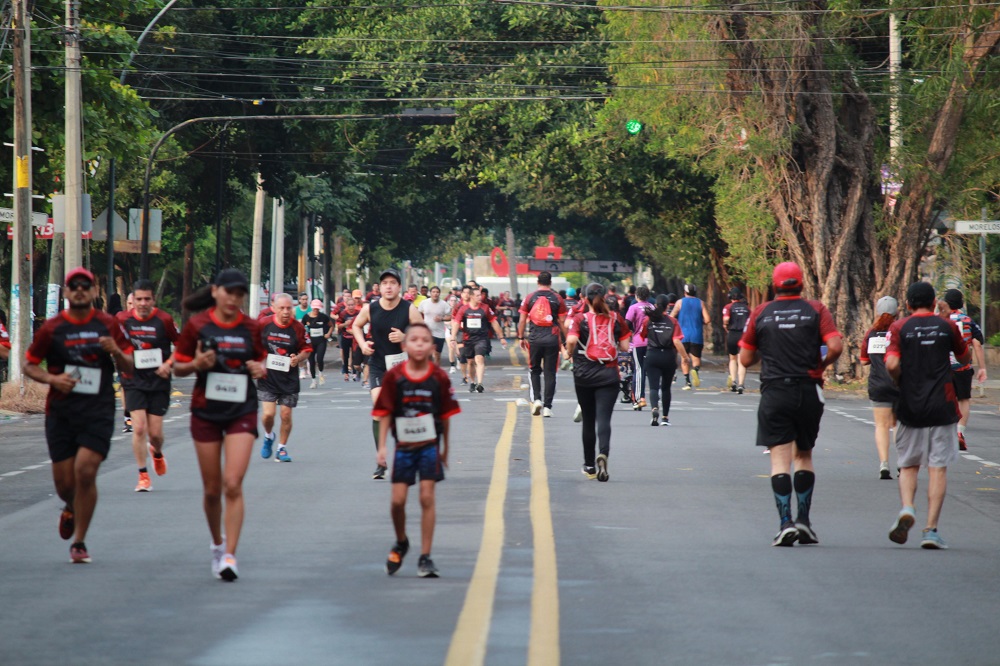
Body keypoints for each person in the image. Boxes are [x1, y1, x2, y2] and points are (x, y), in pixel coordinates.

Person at [23, 267, 135, 564]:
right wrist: (53, 380)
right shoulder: (52, 327)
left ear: (94, 290)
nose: (81, 290)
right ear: (67, 292)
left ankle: (80, 542)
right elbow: (29, 365)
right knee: (64, 484)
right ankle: (70, 506)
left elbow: (131, 366)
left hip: (97, 408)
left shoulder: (108, 324)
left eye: (86, 285)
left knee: (86, 471)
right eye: (75, 286)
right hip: (61, 411)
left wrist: (116, 352)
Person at [738, 262, 843, 547]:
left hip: (775, 391)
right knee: (804, 455)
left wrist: (768, 350)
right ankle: (804, 522)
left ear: (774, 286)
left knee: (779, 459)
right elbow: (835, 346)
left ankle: (785, 523)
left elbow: (745, 358)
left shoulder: (761, 312)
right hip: (808, 389)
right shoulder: (816, 310)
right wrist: (820, 364)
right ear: (801, 284)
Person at [173, 269, 267, 581]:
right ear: (215, 291)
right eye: (229, 292)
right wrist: (196, 365)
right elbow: (179, 366)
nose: (234, 299)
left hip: (242, 408)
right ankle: (217, 544)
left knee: (232, 483)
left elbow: (262, 360)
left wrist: (259, 367)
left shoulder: (251, 327)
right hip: (206, 411)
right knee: (213, 489)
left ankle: (230, 556)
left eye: (240, 294)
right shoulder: (198, 325)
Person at [885, 281, 970, 549]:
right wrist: (945, 320)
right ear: (934, 303)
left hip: (910, 406)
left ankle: (908, 507)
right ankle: (931, 530)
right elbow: (964, 357)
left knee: (908, 465)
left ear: (908, 304)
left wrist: (899, 380)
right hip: (942, 406)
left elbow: (892, 363)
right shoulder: (946, 326)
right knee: (937, 468)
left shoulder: (900, 327)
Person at [374, 322, 460, 578]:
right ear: (405, 345)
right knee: (397, 502)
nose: (420, 344)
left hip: (429, 447)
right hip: (403, 448)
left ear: (433, 347)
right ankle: (402, 541)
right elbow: (385, 412)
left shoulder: (438, 377)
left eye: (425, 340)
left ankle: (426, 556)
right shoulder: (395, 376)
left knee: (426, 497)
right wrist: (381, 448)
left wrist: (445, 448)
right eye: (414, 340)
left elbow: (446, 416)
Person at [351, 268, 424, 480]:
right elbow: (356, 326)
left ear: (399, 287)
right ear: (379, 287)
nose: (389, 286)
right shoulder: (370, 308)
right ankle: (381, 459)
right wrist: (363, 344)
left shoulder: (409, 309)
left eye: (393, 282)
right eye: (385, 283)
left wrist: (405, 336)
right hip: (379, 364)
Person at [564, 283, 631, 482]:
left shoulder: (579, 319)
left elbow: (572, 340)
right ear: (604, 297)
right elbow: (626, 347)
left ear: (584, 299)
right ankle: (603, 453)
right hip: (609, 374)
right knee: (604, 419)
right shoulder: (616, 318)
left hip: (584, 374)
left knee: (588, 420)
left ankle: (590, 465)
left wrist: (569, 352)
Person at [118, 279, 180, 492]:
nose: (143, 303)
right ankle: (143, 475)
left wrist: (169, 364)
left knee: (155, 434)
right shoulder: (122, 319)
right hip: (133, 380)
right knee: (140, 428)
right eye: (139, 299)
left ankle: (157, 452)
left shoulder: (164, 320)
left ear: (154, 300)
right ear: (132, 300)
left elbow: (182, 346)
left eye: (147, 299)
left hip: (158, 381)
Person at [258, 294, 312, 463]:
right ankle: (268, 436)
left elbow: (307, 349)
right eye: (282, 308)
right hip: (267, 377)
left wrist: (299, 358)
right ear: (273, 308)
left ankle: (282, 448)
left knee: (286, 414)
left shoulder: (298, 328)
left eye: (289, 308)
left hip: (289, 378)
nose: (286, 311)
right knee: (268, 415)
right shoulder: (263, 324)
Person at [936, 289, 987, 451]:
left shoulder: (940, 320)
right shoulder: (968, 321)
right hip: (963, 367)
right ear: (961, 303)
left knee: (943, 399)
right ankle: (959, 432)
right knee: (963, 399)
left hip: (943, 367)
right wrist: (982, 368)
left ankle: (943, 434)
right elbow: (978, 343)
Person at [859, 296, 901, 479]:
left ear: (877, 312)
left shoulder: (871, 334)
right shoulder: (900, 332)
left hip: (878, 385)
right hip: (899, 384)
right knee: (898, 424)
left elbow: (863, 360)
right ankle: (902, 462)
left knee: (881, 426)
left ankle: (884, 464)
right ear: (897, 312)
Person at [517, 271, 567, 417]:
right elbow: (562, 322)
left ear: (537, 282)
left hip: (535, 339)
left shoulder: (529, 298)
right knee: (550, 373)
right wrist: (564, 342)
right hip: (552, 339)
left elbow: (521, 320)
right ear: (550, 283)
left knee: (534, 370)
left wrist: (521, 337)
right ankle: (547, 407)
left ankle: (537, 399)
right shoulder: (557, 298)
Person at [641, 294, 690, 426]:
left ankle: (654, 408)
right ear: (668, 306)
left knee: (653, 387)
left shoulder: (648, 320)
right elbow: (677, 341)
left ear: (655, 305)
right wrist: (685, 357)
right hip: (668, 356)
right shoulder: (672, 321)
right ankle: (665, 417)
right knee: (666, 388)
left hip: (652, 355)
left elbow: (642, 336)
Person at [453, 287, 508, 394]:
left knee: (479, 359)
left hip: (481, 338)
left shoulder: (485, 308)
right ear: (471, 296)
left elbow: (494, 322)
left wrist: (501, 337)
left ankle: (480, 383)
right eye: (478, 295)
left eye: (481, 295)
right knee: (470, 362)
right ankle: (473, 382)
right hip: (468, 339)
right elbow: (456, 322)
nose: (480, 297)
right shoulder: (463, 309)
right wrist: (452, 338)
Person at [671, 284, 711, 390]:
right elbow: (707, 319)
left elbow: (672, 316)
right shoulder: (701, 303)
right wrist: (699, 322)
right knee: (696, 358)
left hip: (682, 335)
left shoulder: (680, 302)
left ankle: (687, 382)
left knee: (685, 358)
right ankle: (695, 370)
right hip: (696, 335)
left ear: (685, 292)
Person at [625, 286, 653, 410]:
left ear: (636, 296)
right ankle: (651, 399)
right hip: (651, 343)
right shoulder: (652, 307)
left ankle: (639, 398)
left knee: (638, 369)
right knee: (647, 371)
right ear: (648, 296)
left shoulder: (633, 307)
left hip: (638, 343)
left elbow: (627, 325)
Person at [722, 287, 750, 393]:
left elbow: (726, 319)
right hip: (743, 335)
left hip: (732, 334)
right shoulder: (747, 308)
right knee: (741, 361)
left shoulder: (728, 307)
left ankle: (733, 381)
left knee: (732, 359)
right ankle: (741, 384)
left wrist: (725, 325)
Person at [302, 298, 333, 388]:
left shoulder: (323, 317)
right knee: (311, 361)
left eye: (317, 309)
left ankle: (321, 373)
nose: (316, 310)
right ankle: (313, 380)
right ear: (311, 308)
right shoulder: (306, 317)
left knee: (319, 358)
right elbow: (301, 327)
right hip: (310, 342)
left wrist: (328, 334)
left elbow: (331, 326)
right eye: (314, 308)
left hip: (321, 341)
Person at [418, 285, 452, 367]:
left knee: (437, 355)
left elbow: (450, 316)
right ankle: (428, 372)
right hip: (427, 332)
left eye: (437, 292)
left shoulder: (444, 304)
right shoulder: (424, 303)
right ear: (430, 293)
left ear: (439, 294)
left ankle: (436, 373)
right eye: (433, 292)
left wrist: (442, 318)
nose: (435, 294)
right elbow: (418, 313)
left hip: (439, 333)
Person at [337, 293, 362, 381]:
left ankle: (355, 373)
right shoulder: (343, 314)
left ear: (355, 305)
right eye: (349, 305)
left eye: (352, 305)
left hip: (355, 337)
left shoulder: (358, 313)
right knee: (346, 355)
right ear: (346, 305)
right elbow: (338, 325)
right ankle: (346, 372)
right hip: (345, 336)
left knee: (355, 354)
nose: (351, 307)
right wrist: (345, 324)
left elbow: (362, 324)